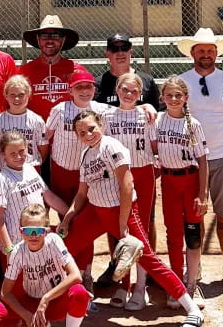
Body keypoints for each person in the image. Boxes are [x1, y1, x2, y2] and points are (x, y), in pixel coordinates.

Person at [58, 110, 205, 327]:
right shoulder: (85, 154)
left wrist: (122, 226)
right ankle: (63, 299)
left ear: (101, 125)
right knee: (63, 247)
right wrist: (67, 218)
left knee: (147, 258)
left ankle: (192, 309)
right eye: (81, 132)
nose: (88, 134)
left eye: (91, 128)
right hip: (96, 212)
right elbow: (81, 193)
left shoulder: (112, 146)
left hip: (122, 211)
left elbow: (126, 186)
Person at [178, 28, 223, 290]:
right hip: (192, 161)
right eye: (201, 50)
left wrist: (218, 140)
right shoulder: (182, 82)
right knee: (192, 216)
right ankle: (192, 267)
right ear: (192, 54)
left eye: (210, 50)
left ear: (216, 54)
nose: (206, 55)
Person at [95, 33, 162, 285]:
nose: (120, 51)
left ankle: (149, 265)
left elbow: (159, 115)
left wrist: (148, 107)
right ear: (108, 53)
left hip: (141, 163)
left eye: (124, 47)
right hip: (114, 167)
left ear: (131, 50)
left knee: (147, 219)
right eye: (114, 48)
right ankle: (117, 266)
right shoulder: (101, 82)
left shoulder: (146, 80)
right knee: (117, 219)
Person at [45, 71, 112, 301]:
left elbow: (126, 109)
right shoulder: (59, 110)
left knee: (85, 225)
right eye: (79, 87)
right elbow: (46, 137)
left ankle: (85, 274)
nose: (84, 91)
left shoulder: (101, 110)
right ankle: (66, 272)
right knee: (67, 223)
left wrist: (147, 107)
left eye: (88, 86)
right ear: (70, 90)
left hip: (89, 173)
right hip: (62, 172)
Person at [0, 204, 90, 327]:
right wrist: (26, 316)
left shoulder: (54, 240)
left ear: (46, 231)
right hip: (31, 302)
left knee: (80, 293)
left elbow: (76, 276)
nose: (33, 235)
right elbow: (5, 292)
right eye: (28, 230)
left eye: (39, 230)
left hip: (56, 301)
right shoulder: (17, 252)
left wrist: (46, 298)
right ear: (21, 231)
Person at [101, 73, 159, 310]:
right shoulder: (105, 115)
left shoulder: (147, 114)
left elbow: (155, 147)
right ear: (117, 89)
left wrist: (148, 106)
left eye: (134, 91)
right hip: (117, 174)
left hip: (143, 173)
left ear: (140, 93)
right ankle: (122, 285)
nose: (128, 94)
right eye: (124, 89)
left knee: (142, 230)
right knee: (120, 229)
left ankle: (140, 285)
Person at [153, 75, 209, 309]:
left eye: (178, 95)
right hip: (168, 181)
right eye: (169, 95)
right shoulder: (156, 121)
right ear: (162, 98)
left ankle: (191, 283)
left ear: (186, 98)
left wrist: (203, 194)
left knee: (193, 234)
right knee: (174, 234)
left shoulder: (192, 124)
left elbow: (203, 161)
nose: (174, 99)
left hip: (191, 181)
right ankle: (176, 284)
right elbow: (154, 152)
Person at [0, 130, 68, 267]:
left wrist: (70, 215)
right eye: (12, 154)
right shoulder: (0, 180)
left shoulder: (30, 169)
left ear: (27, 148)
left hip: (38, 240)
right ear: (3, 155)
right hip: (17, 246)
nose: (19, 157)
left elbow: (48, 196)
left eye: (21, 151)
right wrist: (9, 249)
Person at [19, 15, 88, 122]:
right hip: (36, 133)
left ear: (63, 39)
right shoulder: (24, 72)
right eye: (44, 36)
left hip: (68, 134)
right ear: (38, 39)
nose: (50, 40)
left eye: (55, 36)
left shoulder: (76, 71)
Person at [0, 75, 49, 172]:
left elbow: (43, 149)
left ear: (28, 95)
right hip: (6, 170)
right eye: (12, 95)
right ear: (6, 95)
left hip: (31, 168)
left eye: (21, 95)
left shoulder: (37, 120)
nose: (17, 99)